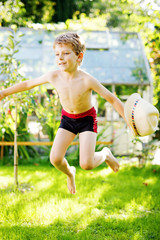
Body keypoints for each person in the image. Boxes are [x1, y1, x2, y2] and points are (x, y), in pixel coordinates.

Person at [0, 32, 127, 194]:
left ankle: (106, 154)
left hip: (87, 119)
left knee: (87, 164)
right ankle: (70, 173)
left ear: (79, 56)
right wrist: (3, 93)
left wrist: (128, 120)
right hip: (67, 119)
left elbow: (112, 99)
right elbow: (27, 84)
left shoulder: (87, 80)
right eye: (57, 54)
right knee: (55, 159)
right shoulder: (53, 76)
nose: (60, 58)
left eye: (66, 53)